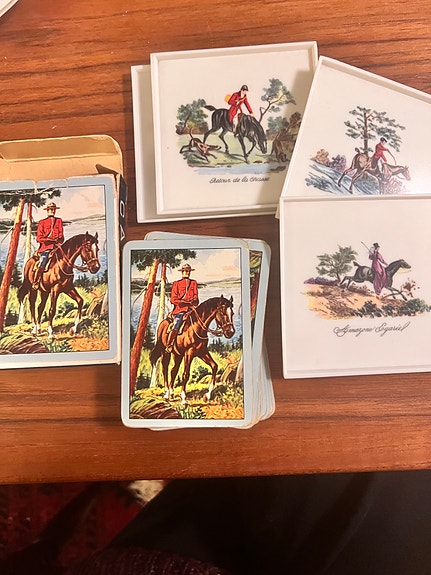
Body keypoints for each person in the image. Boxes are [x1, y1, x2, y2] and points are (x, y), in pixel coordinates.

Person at [165, 263, 199, 353]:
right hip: (180, 309)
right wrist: (183, 302)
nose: (187, 272)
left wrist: (194, 301)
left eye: (188, 271)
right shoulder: (177, 283)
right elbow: (173, 299)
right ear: (182, 272)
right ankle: (169, 344)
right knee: (177, 322)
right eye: (185, 271)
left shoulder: (193, 283)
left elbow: (196, 297)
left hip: (191, 309)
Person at [32, 201, 64, 289]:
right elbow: (39, 238)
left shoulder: (59, 221)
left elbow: (61, 236)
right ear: (47, 210)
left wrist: (59, 240)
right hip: (46, 247)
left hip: (57, 247)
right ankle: (36, 281)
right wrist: (49, 240)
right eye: (50, 209)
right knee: (43, 260)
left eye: (53, 209)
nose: (52, 211)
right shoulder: (42, 222)